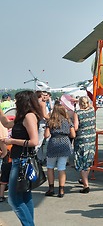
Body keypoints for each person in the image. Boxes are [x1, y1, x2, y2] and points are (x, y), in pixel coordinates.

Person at [0, 90, 43, 226]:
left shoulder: (29, 116)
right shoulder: (23, 117)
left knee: (14, 199)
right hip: (21, 160)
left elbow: (34, 141)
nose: (15, 103)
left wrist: (12, 141)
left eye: (18, 101)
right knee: (25, 196)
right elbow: (6, 124)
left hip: (22, 161)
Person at [44, 102, 76, 198]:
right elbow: (73, 135)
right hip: (65, 143)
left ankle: (51, 188)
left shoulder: (50, 121)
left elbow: (46, 135)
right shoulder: (68, 121)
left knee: (50, 166)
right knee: (61, 167)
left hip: (53, 142)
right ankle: (61, 190)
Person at [74, 96, 96, 194]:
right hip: (91, 138)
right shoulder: (92, 110)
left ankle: (86, 185)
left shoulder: (77, 113)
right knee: (88, 159)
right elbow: (90, 105)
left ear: (79, 104)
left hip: (81, 138)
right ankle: (84, 180)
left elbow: (75, 127)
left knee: (82, 161)